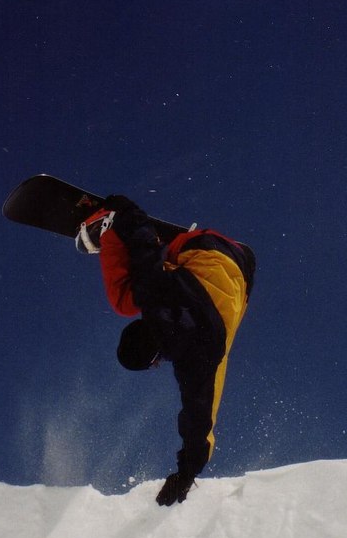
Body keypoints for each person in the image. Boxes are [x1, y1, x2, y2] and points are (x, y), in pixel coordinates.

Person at [76, 195, 255, 506]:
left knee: (136, 291)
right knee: (128, 296)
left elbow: (200, 417)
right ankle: (110, 228)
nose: (159, 366)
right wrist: (125, 212)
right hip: (205, 248)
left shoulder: (198, 360)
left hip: (245, 266)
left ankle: (111, 227)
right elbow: (144, 246)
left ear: (155, 355)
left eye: (154, 363)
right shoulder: (153, 295)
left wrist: (186, 474)